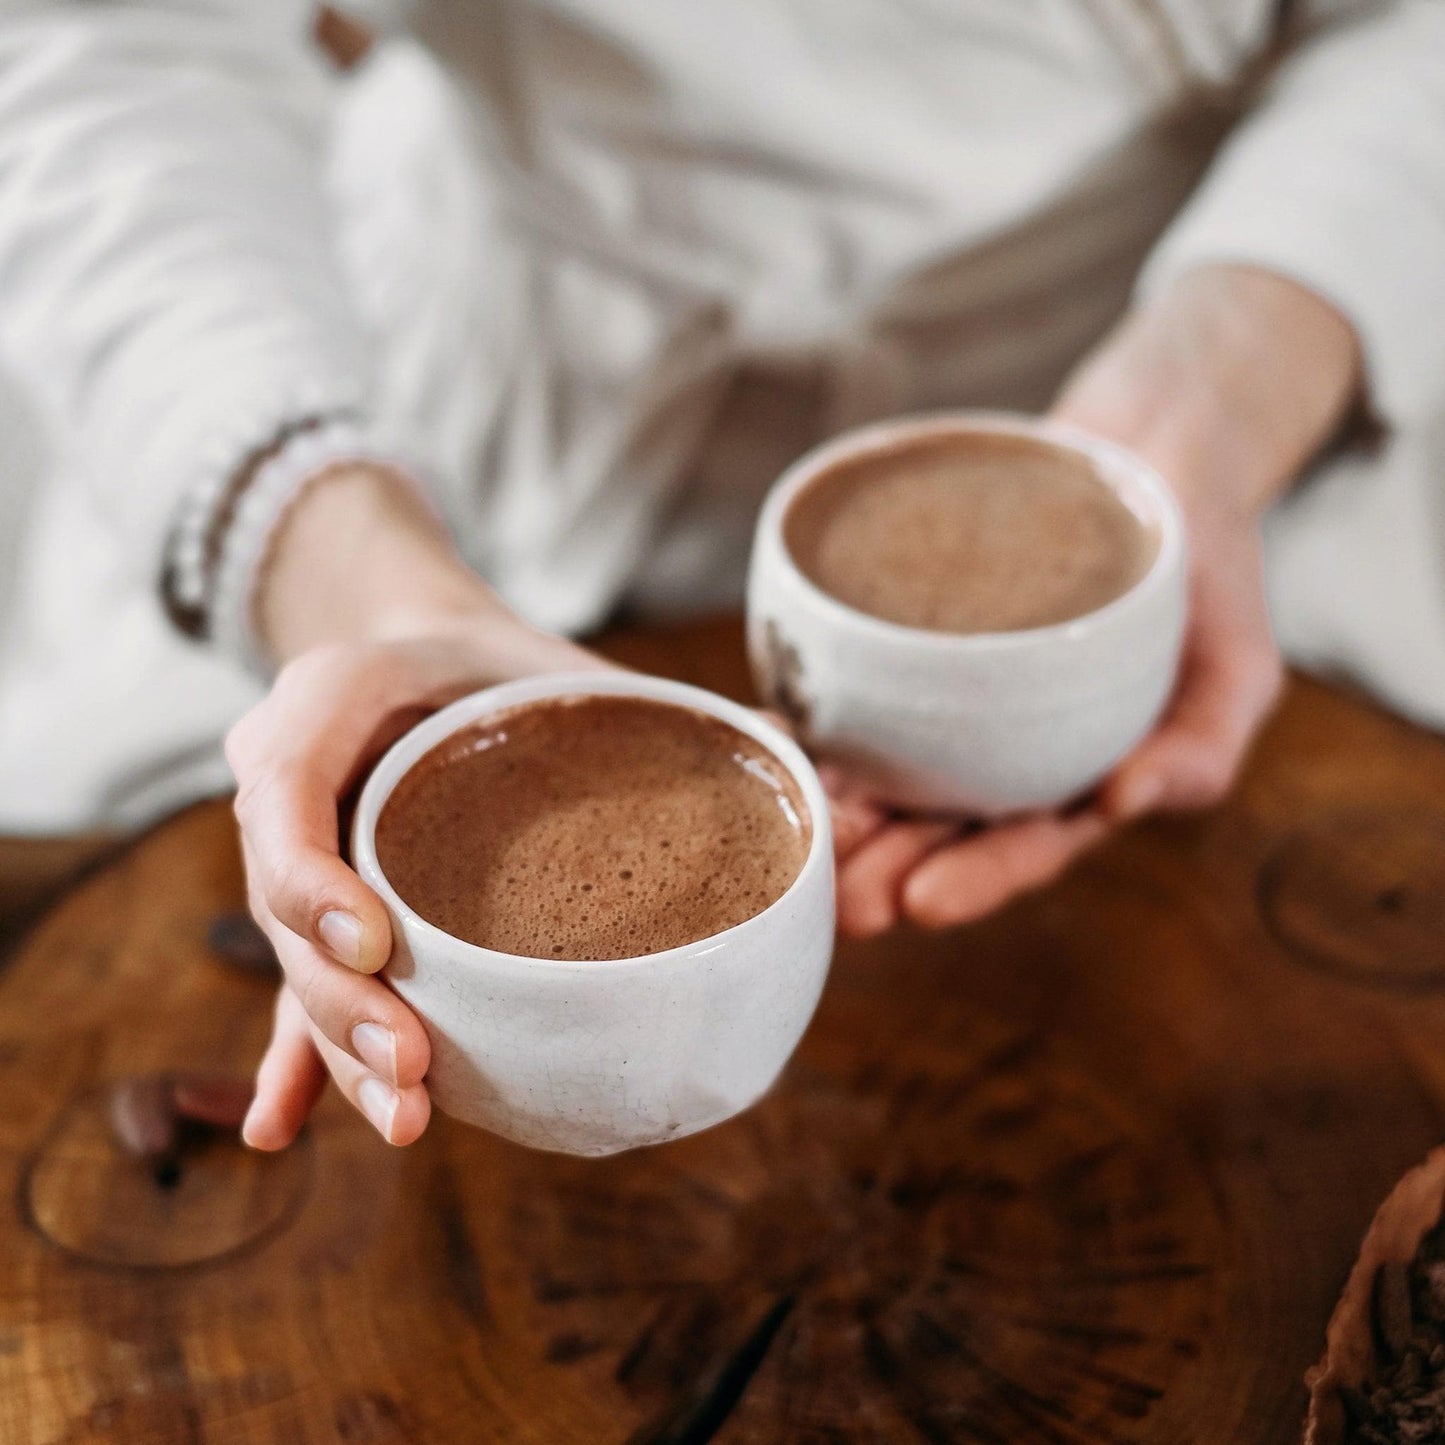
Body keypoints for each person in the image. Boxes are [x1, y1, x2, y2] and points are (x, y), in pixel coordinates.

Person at [0, 0, 1441, 1151]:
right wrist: (349, 577)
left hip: (1146, 340)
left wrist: (1209, 404)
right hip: (447, 408)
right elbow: (108, 46)